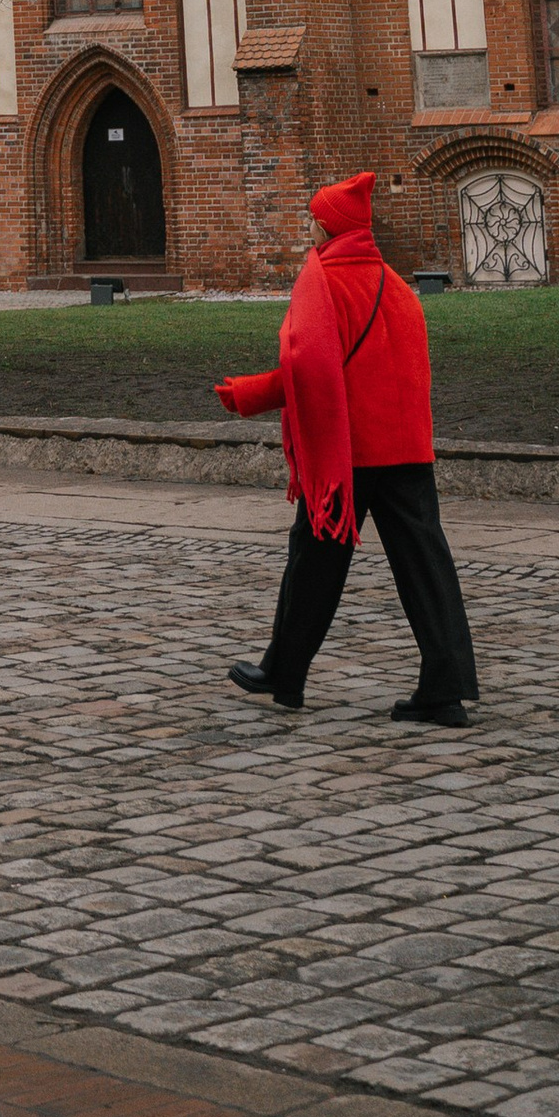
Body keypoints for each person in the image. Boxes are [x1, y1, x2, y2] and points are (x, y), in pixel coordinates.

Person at [214, 168, 479, 725]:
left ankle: (284, 672)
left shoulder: (324, 282)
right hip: (408, 449)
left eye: (315, 218)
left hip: (349, 456)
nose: (310, 227)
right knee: (426, 564)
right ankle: (446, 685)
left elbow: (311, 372)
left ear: (331, 227)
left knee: (313, 560)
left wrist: (249, 394)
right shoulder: (398, 286)